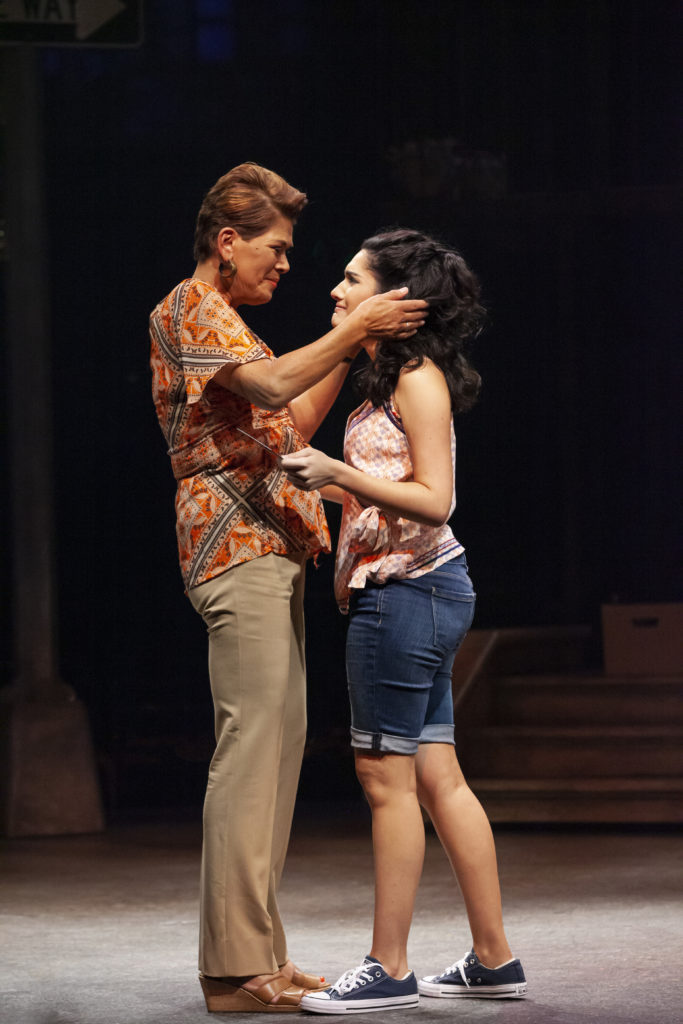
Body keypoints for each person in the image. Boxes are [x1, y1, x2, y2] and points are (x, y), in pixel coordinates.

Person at [149, 167, 426, 1014]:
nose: (286, 265)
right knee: (249, 754)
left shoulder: (237, 327)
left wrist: (352, 338)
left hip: (269, 547)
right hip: (230, 547)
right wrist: (357, 328)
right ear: (227, 243)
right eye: (275, 249)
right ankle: (232, 974)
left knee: (276, 753)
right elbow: (271, 388)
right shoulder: (188, 308)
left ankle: (258, 953)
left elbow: (288, 420)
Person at [281, 228, 527, 1014]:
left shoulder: (416, 377)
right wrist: (328, 484)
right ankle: (492, 959)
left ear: (394, 298)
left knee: (383, 782)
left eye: (351, 280)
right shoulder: (382, 376)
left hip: (408, 592)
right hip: (420, 590)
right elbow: (374, 482)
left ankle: (387, 967)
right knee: (435, 777)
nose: (335, 291)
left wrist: (337, 472)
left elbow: (435, 499)